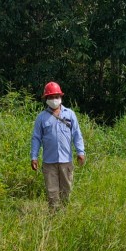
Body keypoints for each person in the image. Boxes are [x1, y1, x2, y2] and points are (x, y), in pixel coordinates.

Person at [30, 81, 86, 209]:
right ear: (46, 99)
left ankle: (65, 215)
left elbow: (77, 134)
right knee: (52, 193)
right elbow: (36, 138)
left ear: (60, 97)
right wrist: (34, 156)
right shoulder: (41, 118)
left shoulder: (70, 114)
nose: (54, 99)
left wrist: (80, 152)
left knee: (66, 190)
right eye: (50, 97)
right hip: (49, 162)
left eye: (56, 96)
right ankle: (54, 217)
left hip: (66, 160)